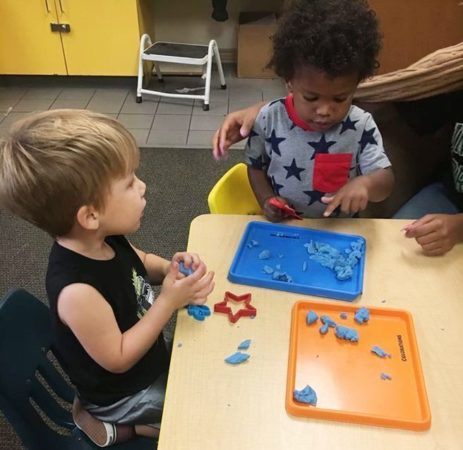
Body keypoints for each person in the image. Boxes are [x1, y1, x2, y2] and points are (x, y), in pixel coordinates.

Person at [0, 109, 215, 446]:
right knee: (199, 418)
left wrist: (167, 267)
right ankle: (118, 429)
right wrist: (169, 301)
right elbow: (117, 357)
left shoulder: (105, 236)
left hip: (147, 361)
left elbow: (139, 260)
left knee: (206, 364)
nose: (143, 186)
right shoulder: (77, 291)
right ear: (90, 215)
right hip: (122, 395)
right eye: (130, 182)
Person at [213, 0, 394, 221]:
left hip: (340, 232)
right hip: (287, 227)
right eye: (311, 97)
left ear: (356, 85)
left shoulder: (361, 125)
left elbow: (385, 180)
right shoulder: (268, 119)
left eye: (340, 98)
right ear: (289, 82)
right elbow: (255, 168)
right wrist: (266, 200)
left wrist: (366, 184)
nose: (325, 110)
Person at [394, 92, 463, 255]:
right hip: (449, 194)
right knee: (395, 244)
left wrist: (460, 227)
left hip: (457, 221)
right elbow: (422, 118)